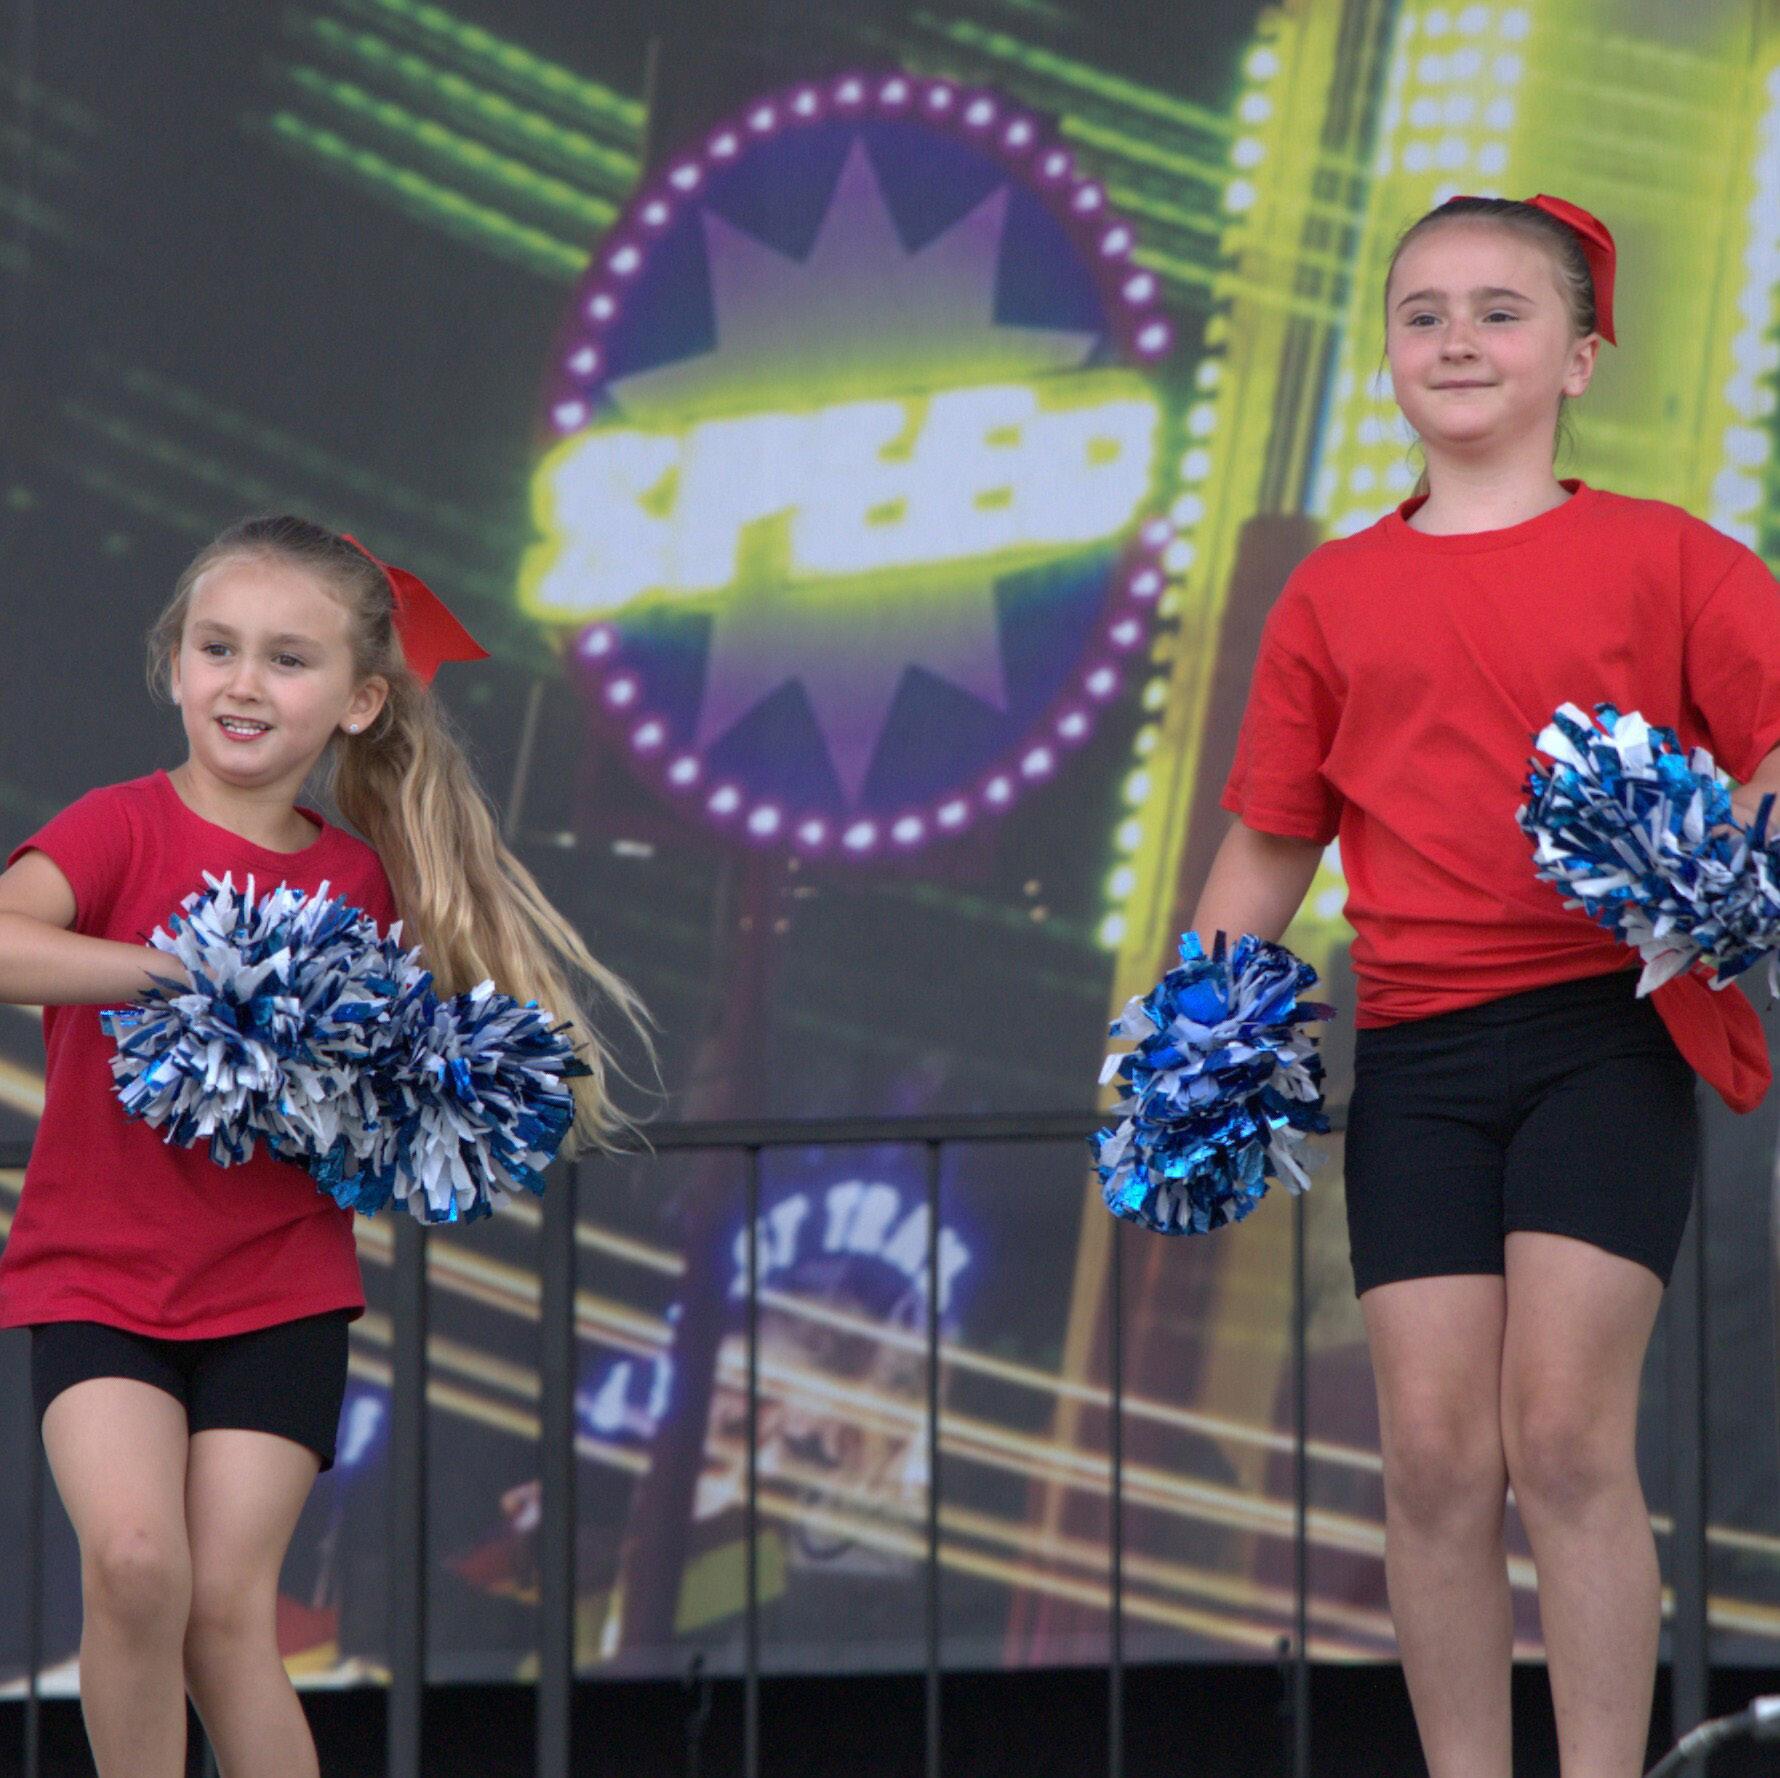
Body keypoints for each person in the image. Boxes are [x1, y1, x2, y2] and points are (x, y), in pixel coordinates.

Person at [1198, 195, 1780, 1778]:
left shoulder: (1666, 554)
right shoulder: (1331, 591)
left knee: (1567, 1434)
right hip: (1419, 1057)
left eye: (1501, 310)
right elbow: (1270, 839)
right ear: (1388, 353)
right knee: (1436, 1456)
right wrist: (1190, 1058)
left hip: (1606, 1039)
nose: (1457, 338)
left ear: (1581, 357)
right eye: (1424, 312)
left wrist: (1721, 861)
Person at [0, 515, 645, 1778]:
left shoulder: (364, 882)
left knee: (228, 1613)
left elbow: (422, 1076)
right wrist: (185, 976)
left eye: (288, 659)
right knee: (136, 1562)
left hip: (278, 1288)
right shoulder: (117, 826)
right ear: (174, 664)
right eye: (217, 647)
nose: (244, 682)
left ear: (359, 701)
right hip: (97, 1274)